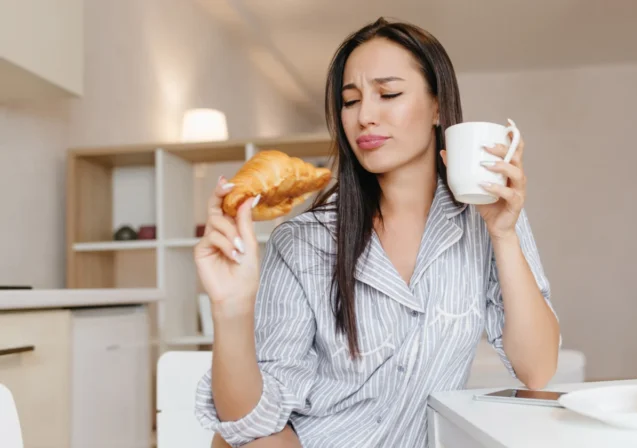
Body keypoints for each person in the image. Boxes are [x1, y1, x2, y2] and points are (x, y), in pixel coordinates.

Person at [193, 17, 561, 448]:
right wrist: (230, 310)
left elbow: (537, 369)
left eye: (388, 94)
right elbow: (255, 425)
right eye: (351, 101)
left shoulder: (492, 216)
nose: (365, 116)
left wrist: (504, 234)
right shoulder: (301, 242)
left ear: (438, 106)